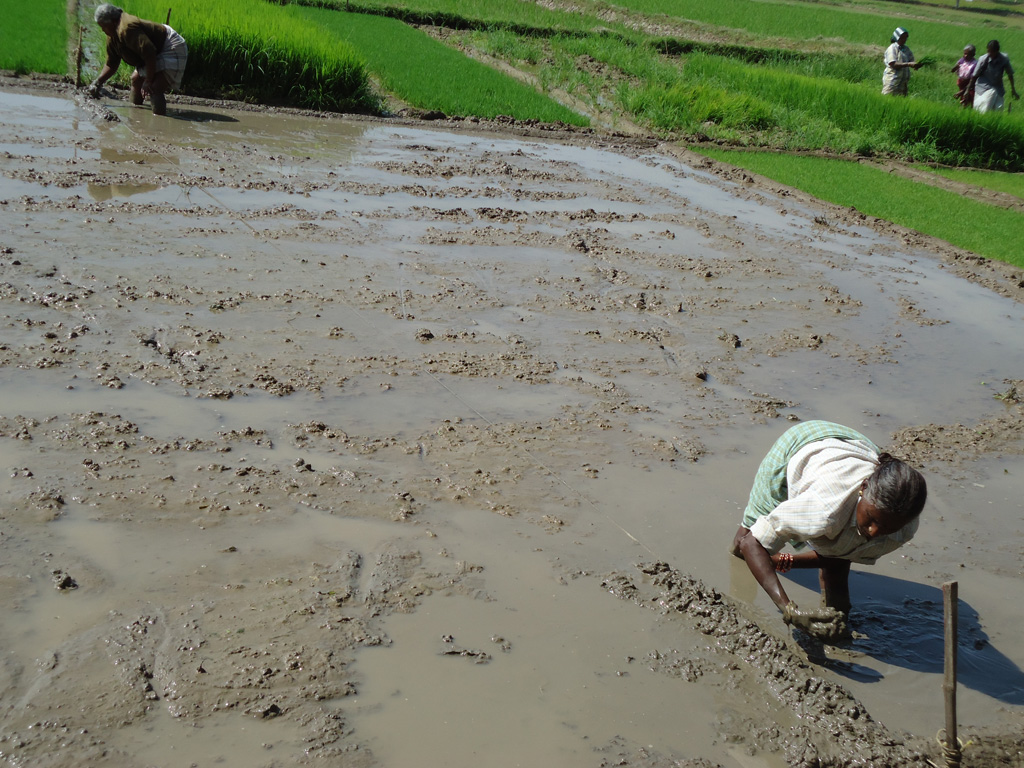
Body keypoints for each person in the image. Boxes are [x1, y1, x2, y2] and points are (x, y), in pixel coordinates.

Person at [730, 420, 926, 639]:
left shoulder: (903, 530)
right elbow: (751, 544)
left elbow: (838, 557)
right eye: (871, 519)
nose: (874, 532)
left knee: (839, 556)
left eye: (888, 527)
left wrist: (788, 561)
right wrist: (789, 609)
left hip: (852, 450)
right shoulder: (823, 509)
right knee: (741, 545)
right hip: (799, 444)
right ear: (863, 489)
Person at [87, 4, 188, 116]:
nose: (102, 30)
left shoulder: (127, 28)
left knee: (154, 88)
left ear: (113, 21)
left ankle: (159, 127)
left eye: (104, 26)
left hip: (170, 45)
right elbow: (112, 63)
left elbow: (149, 52)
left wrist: (148, 80)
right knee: (136, 80)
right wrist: (98, 82)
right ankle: (135, 118)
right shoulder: (112, 36)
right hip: (153, 51)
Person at [969, 39, 1020, 114]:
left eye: (992, 52)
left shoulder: (1004, 59)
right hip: (983, 86)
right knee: (983, 108)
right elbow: (974, 75)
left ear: (997, 51)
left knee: (997, 111)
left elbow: (1010, 74)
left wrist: (1013, 89)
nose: (990, 53)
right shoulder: (983, 59)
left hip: (997, 87)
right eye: (988, 51)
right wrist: (968, 90)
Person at [882, 27, 922, 96]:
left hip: (903, 84)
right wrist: (908, 64)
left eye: (905, 38)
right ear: (897, 37)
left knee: (900, 102)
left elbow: (912, 60)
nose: (904, 39)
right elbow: (893, 64)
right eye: (902, 37)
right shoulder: (892, 48)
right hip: (892, 82)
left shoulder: (906, 49)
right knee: (887, 99)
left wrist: (917, 65)